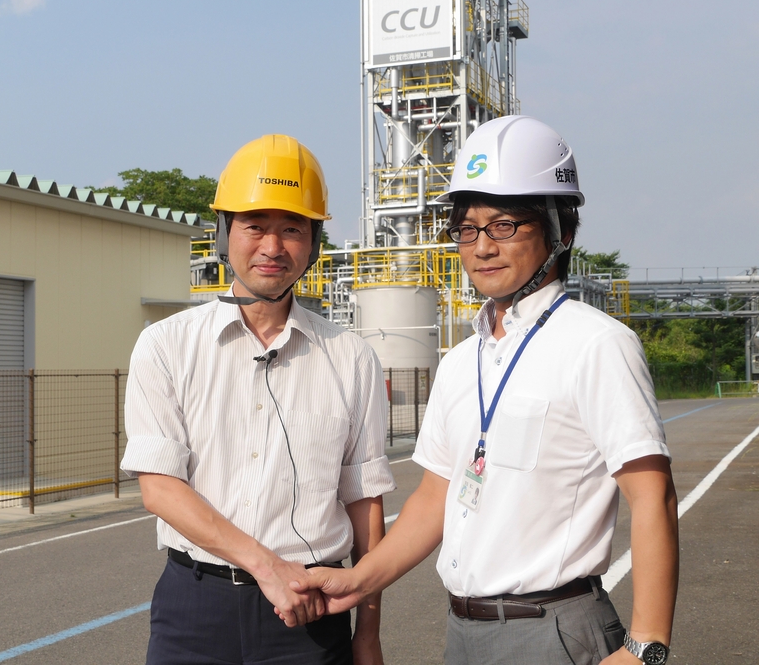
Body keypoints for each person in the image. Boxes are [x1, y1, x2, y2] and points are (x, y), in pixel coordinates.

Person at [293, 116, 679, 665]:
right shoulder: (460, 361)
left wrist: (646, 648)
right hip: (464, 632)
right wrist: (355, 581)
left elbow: (653, 496)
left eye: (505, 226)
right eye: (468, 228)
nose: (482, 247)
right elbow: (434, 499)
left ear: (560, 230)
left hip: (555, 629)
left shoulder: (596, 345)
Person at [120, 134, 397, 665]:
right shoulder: (166, 345)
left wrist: (369, 632)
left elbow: (364, 501)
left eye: (292, 229)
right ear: (225, 233)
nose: (273, 247)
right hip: (195, 607)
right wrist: (269, 568)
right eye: (255, 226)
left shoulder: (351, 358)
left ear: (314, 241)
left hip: (314, 611)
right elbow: (160, 489)